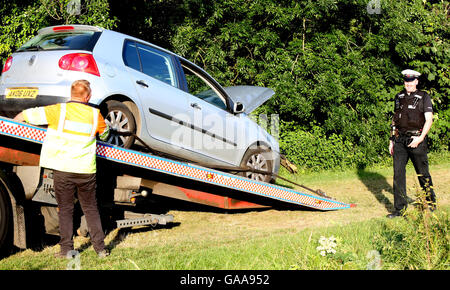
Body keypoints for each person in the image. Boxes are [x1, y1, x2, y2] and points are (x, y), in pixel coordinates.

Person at [14, 80, 110, 257]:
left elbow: (26, 115)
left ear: (71, 94)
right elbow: (105, 133)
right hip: (86, 171)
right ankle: (101, 249)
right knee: (91, 209)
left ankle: (66, 250)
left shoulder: (58, 110)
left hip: (63, 170)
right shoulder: (96, 115)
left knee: (65, 210)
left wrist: (13, 124)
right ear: (87, 96)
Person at [387, 69, 436, 218]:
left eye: (411, 81)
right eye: (406, 81)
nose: (408, 83)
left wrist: (420, 138)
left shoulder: (423, 97)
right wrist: (391, 140)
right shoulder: (399, 97)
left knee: (423, 174)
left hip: (416, 140)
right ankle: (400, 210)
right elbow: (395, 120)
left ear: (416, 81)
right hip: (400, 141)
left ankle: (431, 203)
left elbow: (429, 119)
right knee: (398, 175)